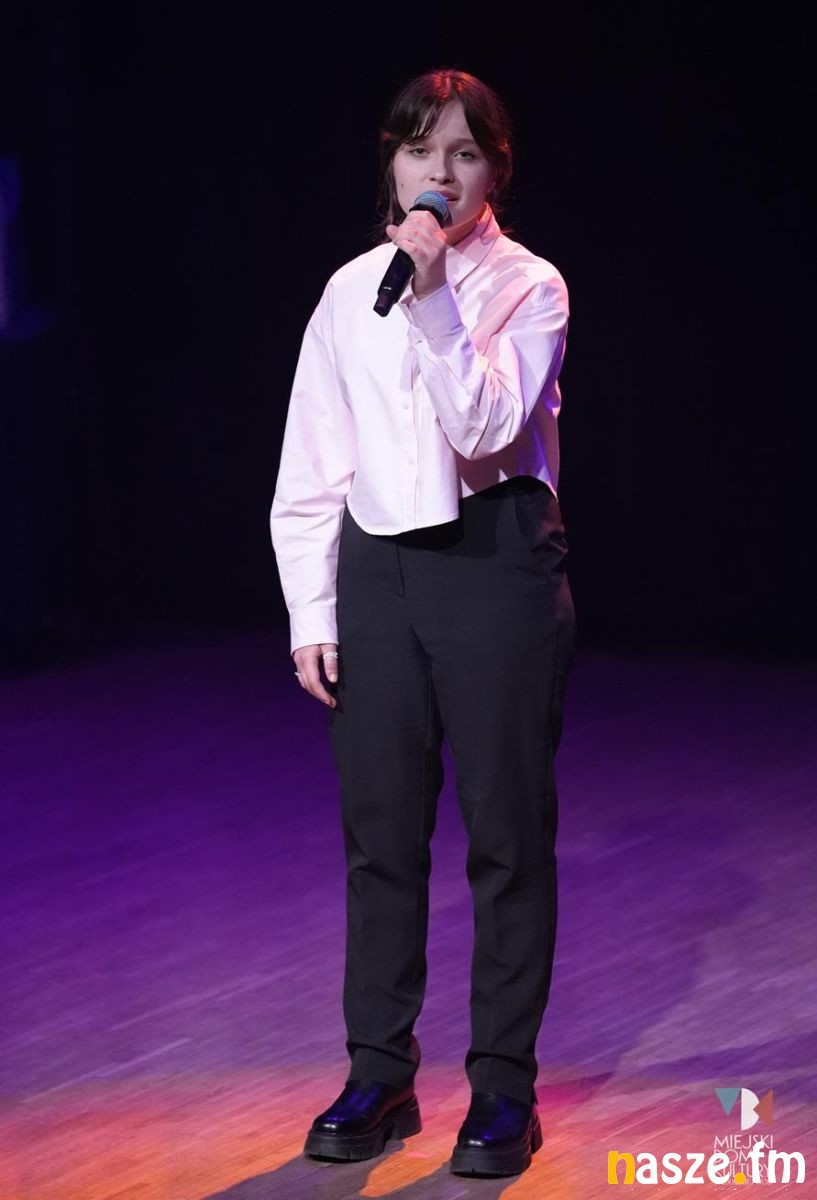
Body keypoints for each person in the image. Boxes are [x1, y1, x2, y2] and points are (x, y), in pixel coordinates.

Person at [269, 66, 576, 1179]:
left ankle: (501, 1087)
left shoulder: (529, 287)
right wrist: (312, 608)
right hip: (377, 570)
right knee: (381, 834)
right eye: (416, 150)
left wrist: (437, 293)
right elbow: (313, 460)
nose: (435, 172)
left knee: (505, 836)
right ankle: (378, 1071)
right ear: (391, 165)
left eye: (461, 153)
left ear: (493, 171)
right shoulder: (350, 288)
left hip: (493, 561)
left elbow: (487, 427)